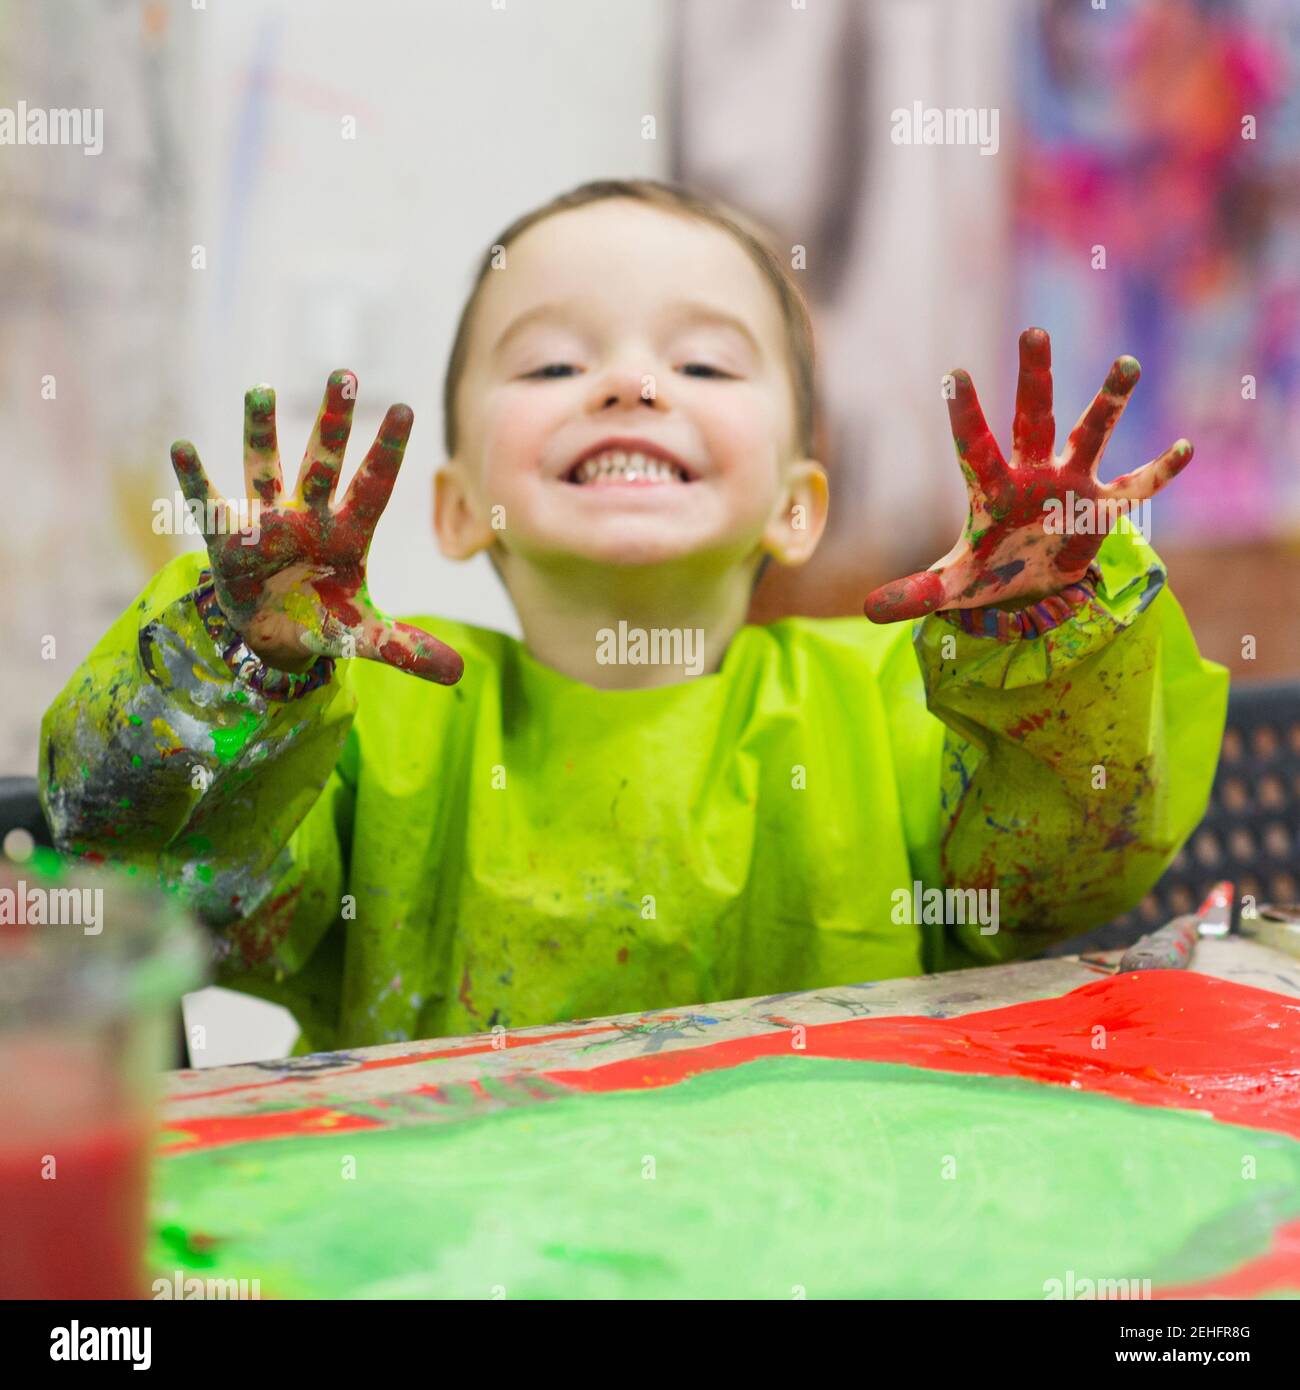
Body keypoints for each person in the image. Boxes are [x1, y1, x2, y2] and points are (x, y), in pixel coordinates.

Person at [40, 179, 1226, 1052]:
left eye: (705, 366)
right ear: (455, 509)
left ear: (796, 508)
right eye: (552, 366)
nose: (630, 382)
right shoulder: (371, 735)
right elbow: (161, 879)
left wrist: (1048, 633)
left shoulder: (885, 708)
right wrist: (234, 661)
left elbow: (1069, 870)